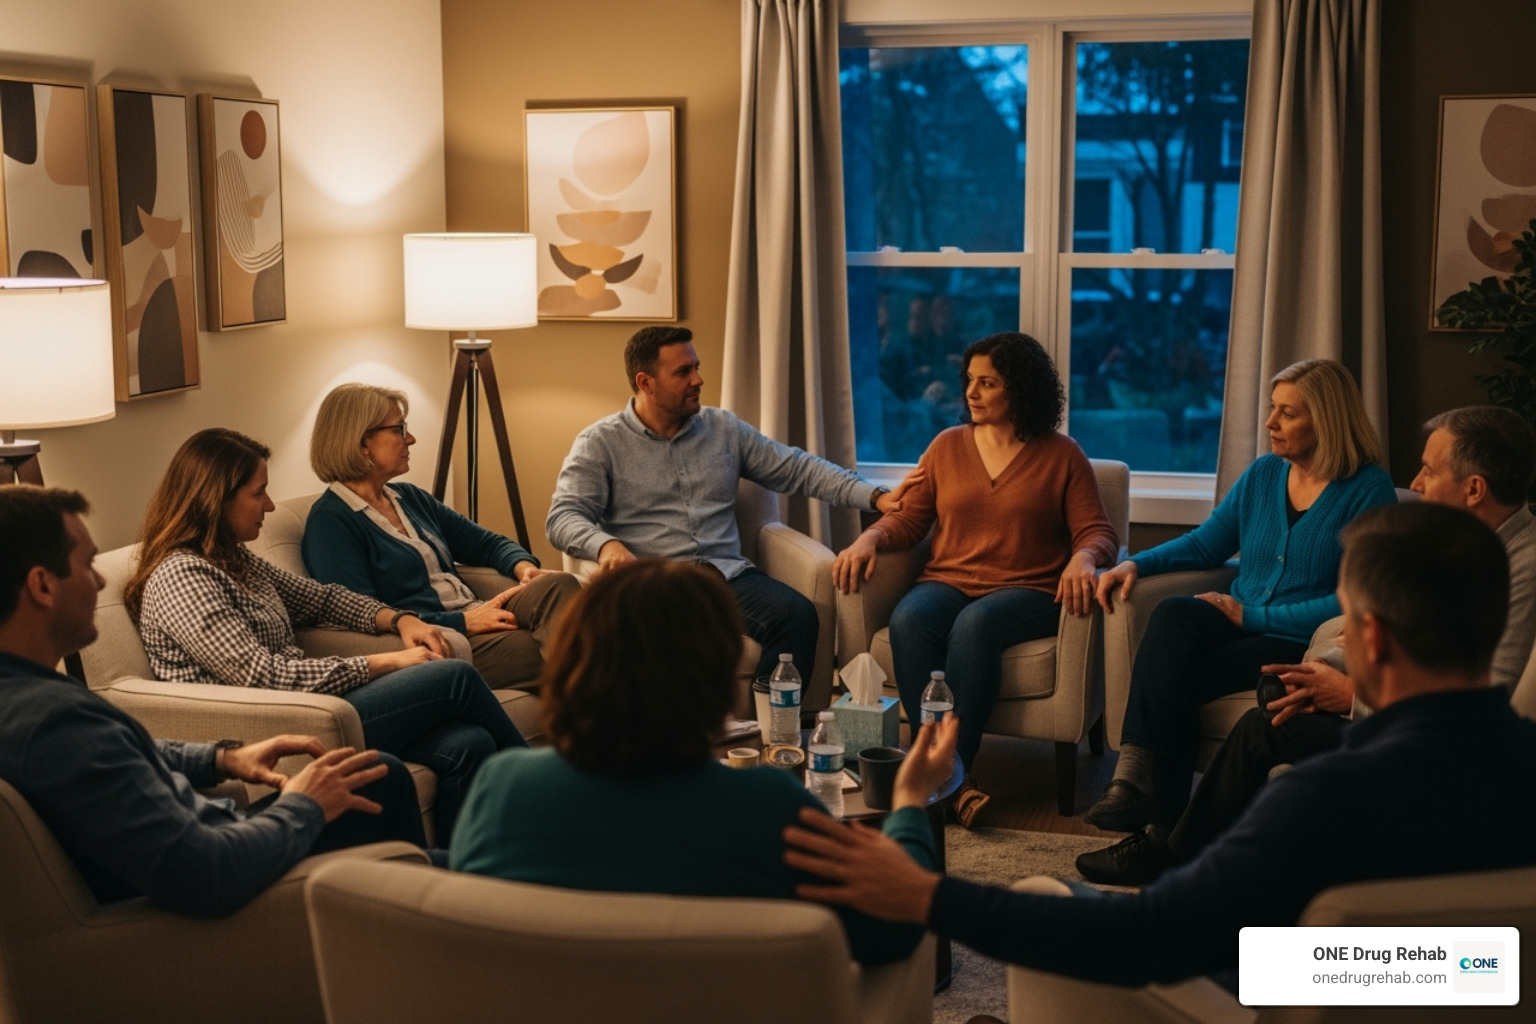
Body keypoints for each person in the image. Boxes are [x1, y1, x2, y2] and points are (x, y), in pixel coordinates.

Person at [784, 502, 1536, 986]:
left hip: (1280, 993)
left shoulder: (1326, 796)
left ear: (1366, 638)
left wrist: (929, 893)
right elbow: (1457, 969)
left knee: (1055, 905)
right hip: (1430, 988)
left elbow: (1149, 941)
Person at [1077, 404, 1536, 884]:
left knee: (1261, 728)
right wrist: (1327, 664)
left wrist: (1352, 695)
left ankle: (1178, 860)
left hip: (1427, 743)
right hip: (1391, 709)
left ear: (1475, 488)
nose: (1415, 484)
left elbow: (1493, 696)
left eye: (1428, 469)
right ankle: (1159, 827)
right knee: (1180, 646)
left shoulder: (1518, 567)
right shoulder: (1458, 545)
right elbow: (1377, 628)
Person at [451, 558, 934, 967]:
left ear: (573, 662)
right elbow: (894, 932)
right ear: (716, 679)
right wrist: (910, 809)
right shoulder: (766, 806)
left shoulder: (501, 786)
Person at [0, 484, 430, 916]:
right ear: (42, 585)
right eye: (87, 563)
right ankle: (423, 935)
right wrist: (307, 804)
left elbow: (111, 758)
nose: (98, 580)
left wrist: (222, 759)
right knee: (403, 808)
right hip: (226, 889)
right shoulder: (53, 722)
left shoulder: (27, 698)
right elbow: (205, 873)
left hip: (218, 840)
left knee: (383, 782)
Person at [125, 428, 526, 846]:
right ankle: (555, 798)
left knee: (469, 743)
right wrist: (382, 662)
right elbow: (264, 677)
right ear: (215, 499)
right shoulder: (183, 577)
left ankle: (465, 878)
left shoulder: (233, 559)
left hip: (313, 702)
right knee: (454, 677)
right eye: (258, 494)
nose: (270, 505)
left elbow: (322, 600)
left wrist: (399, 620)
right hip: (275, 724)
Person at [1084, 358, 1397, 833]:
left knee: (1178, 680)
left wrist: (1251, 616)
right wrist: (1135, 562)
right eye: (1272, 409)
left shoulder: (1367, 489)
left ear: (1327, 419)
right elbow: (1206, 542)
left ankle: (1159, 826)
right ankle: (1135, 778)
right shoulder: (1264, 473)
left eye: (1287, 413)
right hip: (1235, 613)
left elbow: (1356, 601)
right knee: (1173, 614)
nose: (1270, 422)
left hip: (1300, 639)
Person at [832, 332, 1118, 825]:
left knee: (975, 625)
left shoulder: (1062, 454)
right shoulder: (947, 446)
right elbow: (909, 519)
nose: (971, 392)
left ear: (1020, 390)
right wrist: (871, 539)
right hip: (948, 579)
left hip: (1029, 589)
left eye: (988, 383)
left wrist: (1085, 557)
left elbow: (1097, 531)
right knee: (909, 620)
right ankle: (952, 779)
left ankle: (940, 775)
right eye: (970, 381)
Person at [546, 324, 900, 684]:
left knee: (797, 615)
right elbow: (562, 516)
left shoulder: (723, 429)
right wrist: (607, 546)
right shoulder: (600, 443)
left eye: (696, 367)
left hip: (726, 578)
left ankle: (773, 730)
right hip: (655, 584)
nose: (698, 379)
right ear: (645, 382)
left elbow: (797, 469)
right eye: (683, 372)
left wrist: (873, 495)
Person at [302, 383, 581, 690]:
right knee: (578, 649)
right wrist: (464, 623)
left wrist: (524, 570)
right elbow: (360, 614)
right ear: (362, 442)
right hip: (443, 639)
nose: (410, 438)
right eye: (399, 429)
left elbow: (487, 544)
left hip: (479, 610)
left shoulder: (409, 497)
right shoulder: (331, 522)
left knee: (560, 584)